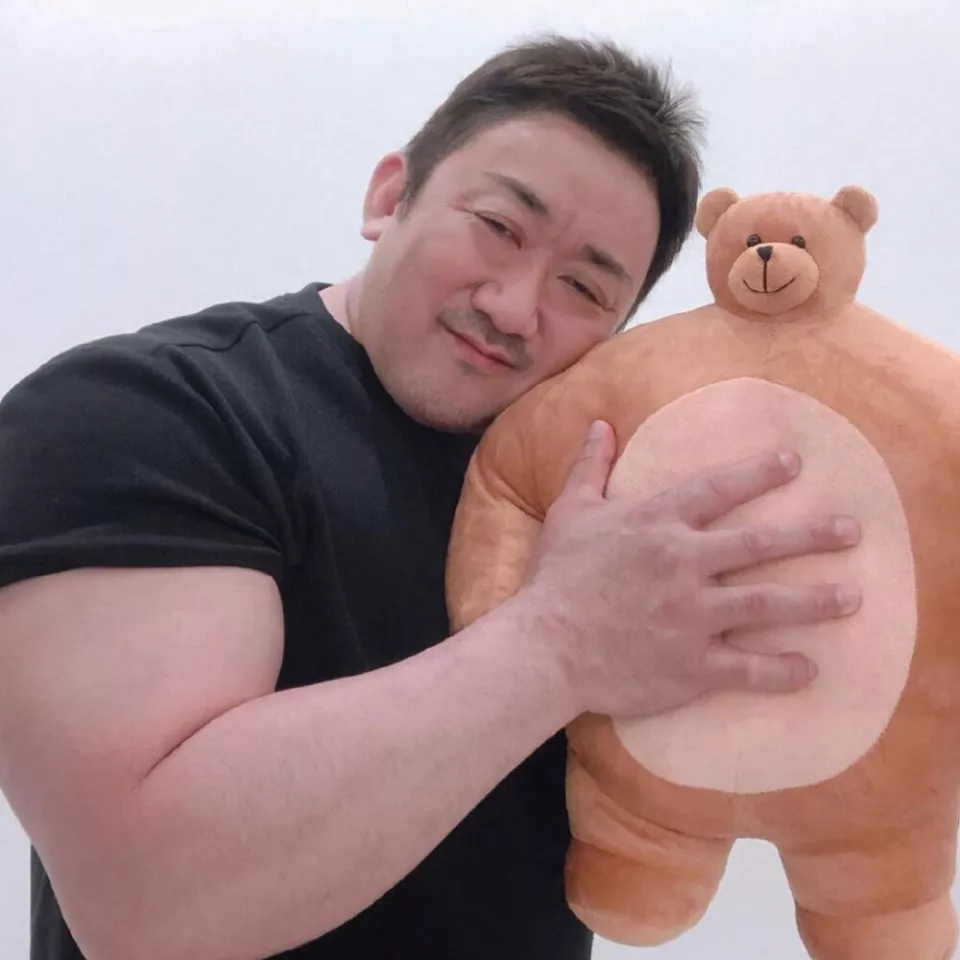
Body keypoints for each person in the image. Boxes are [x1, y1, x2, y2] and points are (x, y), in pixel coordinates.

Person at [0, 33, 861, 960]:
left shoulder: (595, 500)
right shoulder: (141, 409)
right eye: (498, 226)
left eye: (582, 285)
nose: (514, 307)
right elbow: (151, 901)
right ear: (389, 197)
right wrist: (561, 641)